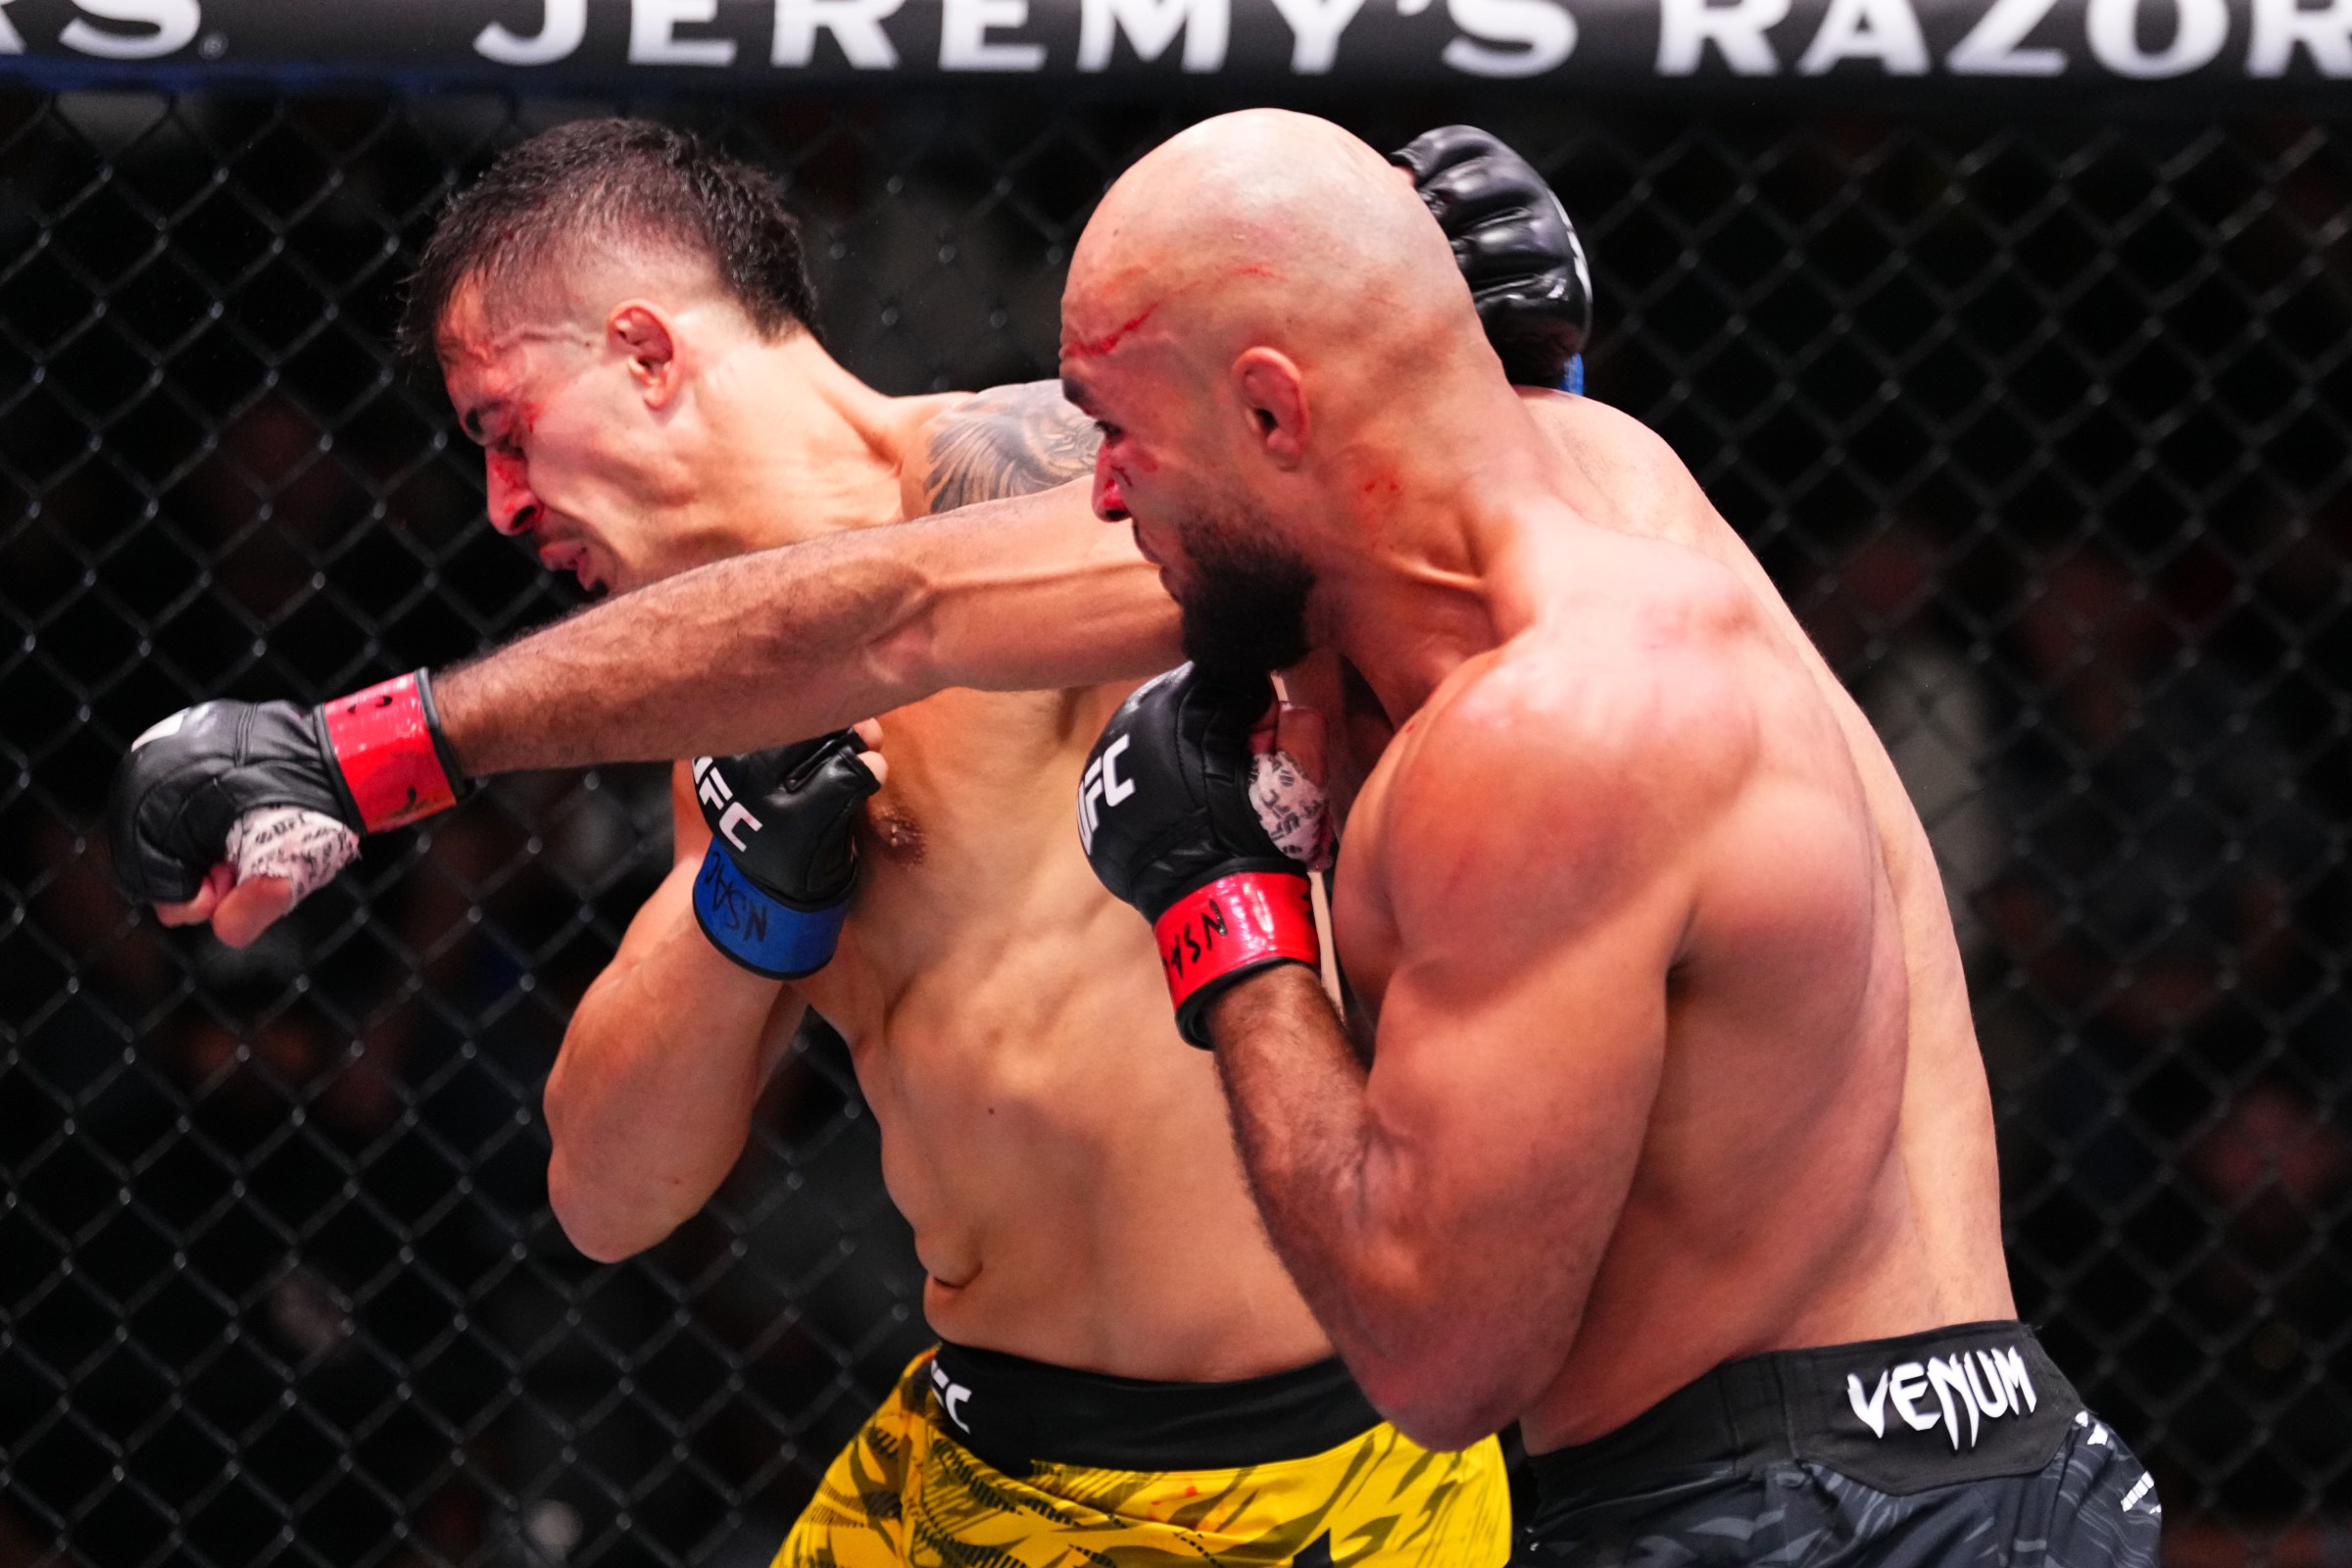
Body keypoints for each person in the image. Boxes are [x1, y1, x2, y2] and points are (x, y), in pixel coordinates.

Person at [108, 117, 1590, 1565]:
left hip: (1322, 1473)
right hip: (986, 1461)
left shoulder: (1058, 464)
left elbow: (945, 605)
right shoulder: (720, 718)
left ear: (645, 354)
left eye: (506, 429)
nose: (498, 506)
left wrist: (1470, 367)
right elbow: (606, 1194)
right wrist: (744, 893)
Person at [1054, 112, 2162, 1565]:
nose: (1102, 491)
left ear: (1272, 414)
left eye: (1112, 425)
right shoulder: (1624, 567)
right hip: (1975, 1449)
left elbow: (1443, 1360)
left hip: (1777, 1515)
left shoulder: (1543, 737)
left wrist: (1227, 922)